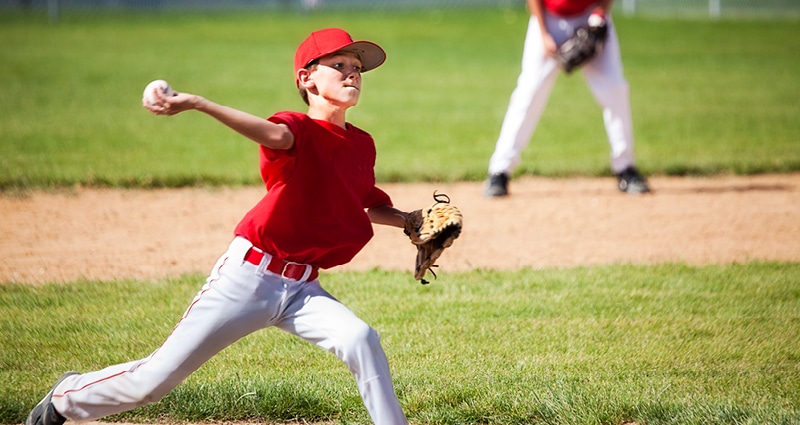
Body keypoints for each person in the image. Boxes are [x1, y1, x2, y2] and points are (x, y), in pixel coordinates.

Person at [25, 28, 410, 425]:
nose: (353, 74)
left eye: (358, 68)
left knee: (360, 339)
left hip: (303, 290)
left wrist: (408, 221)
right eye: (339, 65)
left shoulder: (361, 143)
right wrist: (197, 103)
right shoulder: (295, 128)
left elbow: (365, 201)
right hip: (249, 280)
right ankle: (65, 400)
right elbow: (276, 136)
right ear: (306, 78)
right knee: (153, 383)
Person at [484, 0, 650, 197]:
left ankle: (626, 168)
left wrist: (600, 14)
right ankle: (499, 171)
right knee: (528, 94)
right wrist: (544, 34)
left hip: (591, 17)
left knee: (615, 89)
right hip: (549, 20)